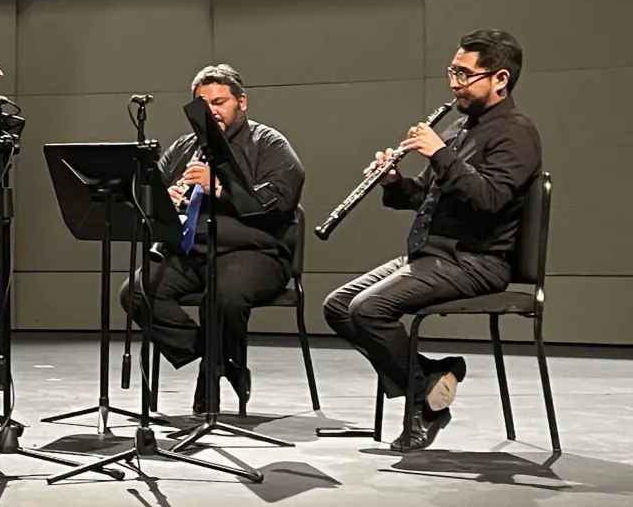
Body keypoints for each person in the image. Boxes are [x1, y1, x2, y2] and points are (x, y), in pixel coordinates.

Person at [322, 29, 542, 451]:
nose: (454, 82)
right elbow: (425, 195)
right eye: (452, 71)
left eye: (464, 74)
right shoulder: (462, 127)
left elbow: (489, 200)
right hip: (432, 254)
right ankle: (428, 381)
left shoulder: (516, 133)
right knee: (337, 307)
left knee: (369, 310)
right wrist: (392, 180)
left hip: (477, 261)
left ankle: (424, 403)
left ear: (499, 79)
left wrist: (441, 154)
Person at [119, 64, 305, 415]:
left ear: (242, 103)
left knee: (226, 295)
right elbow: (149, 192)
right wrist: (165, 199)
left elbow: (281, 198)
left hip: (255, 251)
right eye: (204, 104)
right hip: (192, 251)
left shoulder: (268, 143)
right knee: (137, 292)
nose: (213, 111)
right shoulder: (184, 147)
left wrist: (218, 188)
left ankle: (211, 375)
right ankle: (218, 357)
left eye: (220, 102)